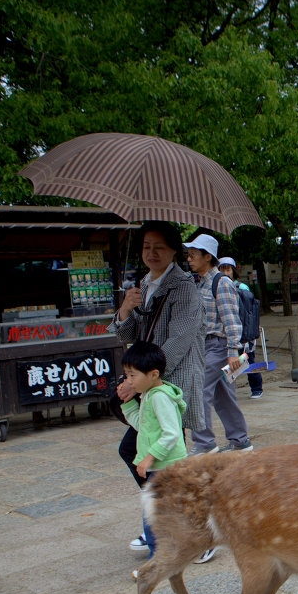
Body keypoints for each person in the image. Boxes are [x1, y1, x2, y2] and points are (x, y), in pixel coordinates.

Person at [110, 221, 205, 558]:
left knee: (155, 456)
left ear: (174, 251)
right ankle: (165, 519)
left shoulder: (185, 288)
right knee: (149, 457)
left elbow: (178, 342)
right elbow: (128, 335)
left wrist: (139, 382)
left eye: (159, 247)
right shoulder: (144, 285)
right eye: (146, 246)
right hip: (149, 381)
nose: (151, 253)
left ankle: (186, 526)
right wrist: (126, 308)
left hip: (169, 384)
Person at [184, 233, 253, 471]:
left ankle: (204, 443)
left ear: (207, 256)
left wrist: (233, 351)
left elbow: (231, 320)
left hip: (218, 347)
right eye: (189, 254)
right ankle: (240, 440)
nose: (189, 258)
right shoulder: (197, 281)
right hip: (204, 346)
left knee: (196, 390)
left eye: (194, 255)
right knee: (223, 395)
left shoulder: (221, 282)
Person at [116, 341, 187, 560]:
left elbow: (172, 433)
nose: (128, 381)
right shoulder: (148, 394)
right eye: (126, 375)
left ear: (153, 374)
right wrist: (127, 405)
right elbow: (142, 425)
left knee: (153, 515)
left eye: (132, 375)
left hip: (166, 467)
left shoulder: (159, 397)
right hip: (160, 466)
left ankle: (158, 561)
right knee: (163, 513)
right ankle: (175, 551)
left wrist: (149, 458)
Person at [219, 257, 263, 399]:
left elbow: (250, 311)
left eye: (228, 269)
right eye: (222, 269)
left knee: (248, 358)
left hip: (244, 330)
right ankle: (227, 392)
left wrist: (254, 327)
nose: (225, 272)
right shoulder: (218, 286)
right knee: (227, 362)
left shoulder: (242, 288)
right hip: (226, 330)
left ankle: (256, 388)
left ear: (234, 271)